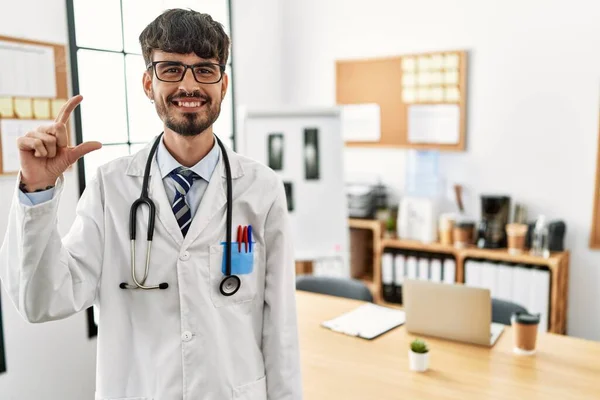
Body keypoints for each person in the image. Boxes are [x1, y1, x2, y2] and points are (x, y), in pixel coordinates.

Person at [0, 8, 302, 400]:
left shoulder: (261, 188)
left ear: (223, 84)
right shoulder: (111, 187)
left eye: (205, 70)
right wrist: (37, 192)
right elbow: (40, 301)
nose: (189, 85)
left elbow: (281, 328)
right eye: (171, 69)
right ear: (148, 83)